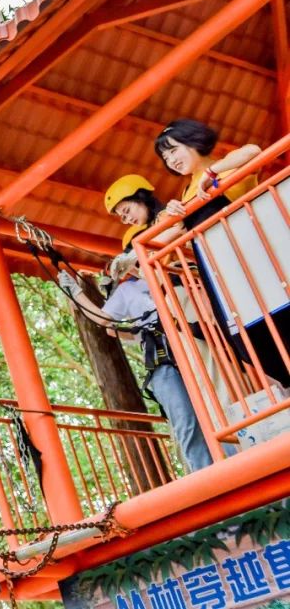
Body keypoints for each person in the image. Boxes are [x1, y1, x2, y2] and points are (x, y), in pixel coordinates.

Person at [60, 174, 213, 471]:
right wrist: (77, 293)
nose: (124, 215)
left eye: (125, 207)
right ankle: (210, 479)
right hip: (160, 354)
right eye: (119, 215)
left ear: (141, 195)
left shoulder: (172, 243)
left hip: (192, 333)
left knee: (216, 408)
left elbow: (176, 235)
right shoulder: (129, 289)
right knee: (185, 423)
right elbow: (107, 322)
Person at [154, 119, 289, 387]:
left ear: (193, 141)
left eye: (174, 150)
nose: (171, 160)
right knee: (249, 342)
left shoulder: (227, 168)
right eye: (165, 156)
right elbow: (157, 242)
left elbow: (252, 151)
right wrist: (169, 216)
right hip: (227, 279)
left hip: (260, 263)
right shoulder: (183, 195)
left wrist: (212, 173)